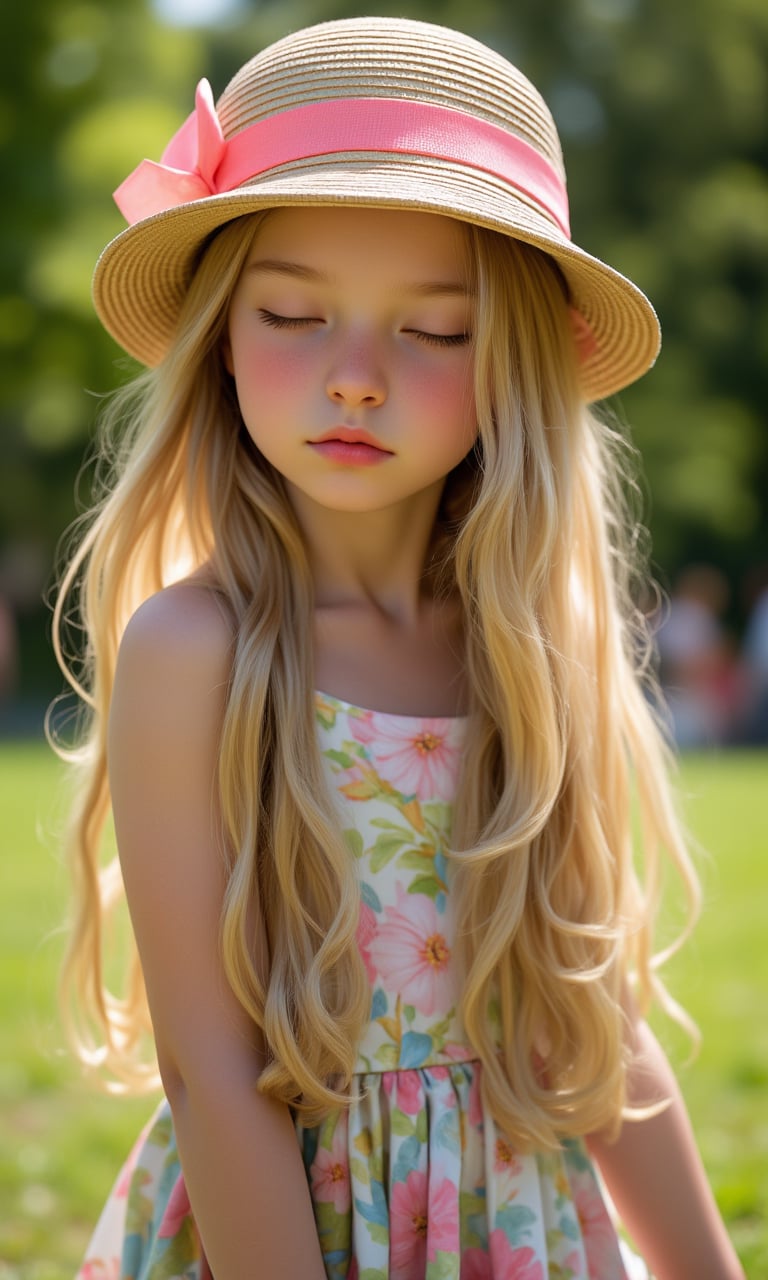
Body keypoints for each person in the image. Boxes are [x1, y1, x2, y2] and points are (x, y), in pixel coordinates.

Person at [52, 17, 744, 1280]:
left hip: (518, 1227)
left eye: (434, 330)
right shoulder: (195, 650)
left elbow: (587, 1016)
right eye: (292, 312)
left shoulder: (526, 645)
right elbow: (212, 1075)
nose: (356, 375)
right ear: (218, 335)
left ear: (514, 370)